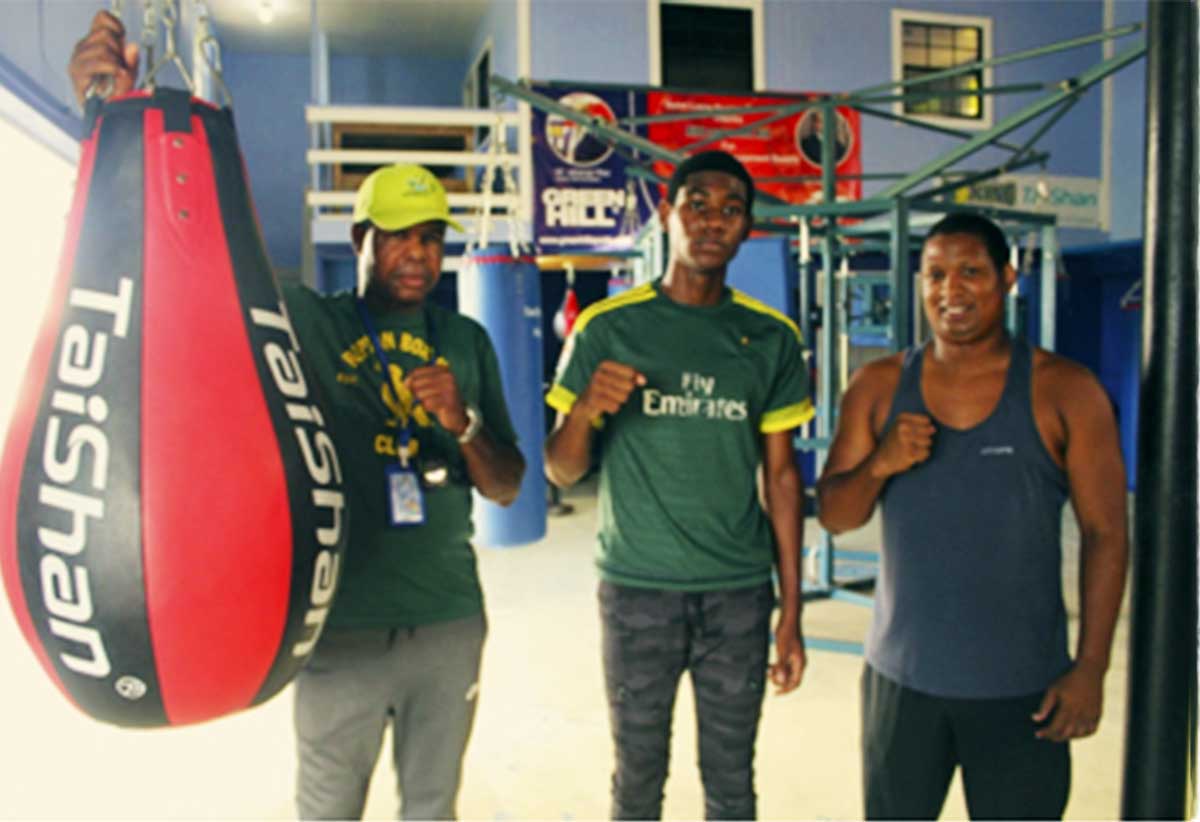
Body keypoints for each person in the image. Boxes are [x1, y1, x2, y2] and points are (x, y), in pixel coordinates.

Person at [69, 13, 526, 820]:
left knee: (433, 805)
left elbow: (508, 486)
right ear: (360, 239)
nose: (419, 254)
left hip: (448, 619)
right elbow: (192, 269)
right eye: (398, 237)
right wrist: (109, 122)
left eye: (432, 238)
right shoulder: (309, 321)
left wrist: (460, 422)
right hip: (336, 625)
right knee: (327, 807)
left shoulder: (466, 339)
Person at [816, 212, 1128, 820]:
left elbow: (1107, 534)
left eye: (970, 273)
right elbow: (834, 516)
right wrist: (881, 463)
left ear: (1007, 278)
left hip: (1025, 687)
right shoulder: (879, 385)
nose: (949, 290)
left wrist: (1091, 668)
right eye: (934, 274)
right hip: (902, 683)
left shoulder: (1066, 390)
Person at [544, 150, 814, 820]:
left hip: (738, 595)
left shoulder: (769, 339)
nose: (712, 220)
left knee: (731, 781)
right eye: (697, 203)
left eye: (730, 209)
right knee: (637, 778)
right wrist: (585, 411)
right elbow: (559, 468)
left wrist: (793, 612)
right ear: (667, 214)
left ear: (747, 228)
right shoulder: (607, 327)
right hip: (638, 588)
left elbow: (782, 480)